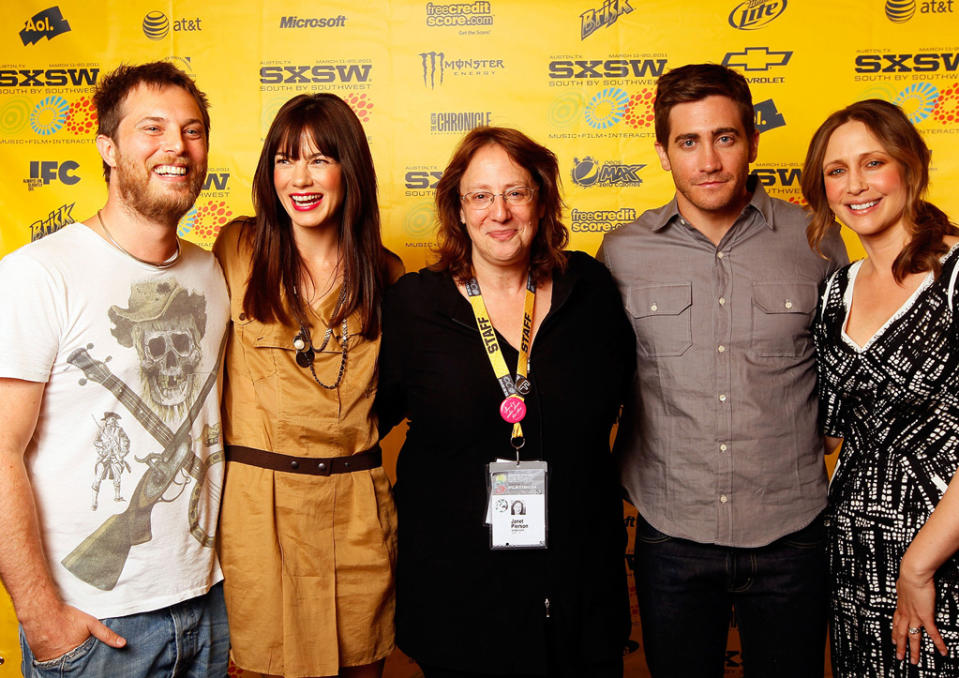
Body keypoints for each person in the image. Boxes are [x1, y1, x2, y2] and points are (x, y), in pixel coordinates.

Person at [598, 63, 849, 677]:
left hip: (792, 531)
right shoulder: (621, 252)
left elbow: (850, 376)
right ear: (662, 152)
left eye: (725, 137)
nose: (708, 160)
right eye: (688, 141)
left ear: (753, 141)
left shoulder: (818, 238)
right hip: (670, 529)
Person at [376, 126, 635, 678]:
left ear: (541, 201)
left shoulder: (590, 290)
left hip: (577, 592)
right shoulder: (415, 305)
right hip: (460, 598)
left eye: (516, 193)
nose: (500, 212)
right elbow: (365, 420)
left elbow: (639, 400)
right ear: (458, 209)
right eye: (481, 196)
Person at [0, 61, 229, 676]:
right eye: (150, 129)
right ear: (106, 146)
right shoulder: (37, 273)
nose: (176, 147)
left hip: (211, 607)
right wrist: (42, 619)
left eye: (192, 130)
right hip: (98, 624)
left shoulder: (216, 274)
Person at [213, 93, 402, 678]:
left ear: (351, 169)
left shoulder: (388, 272)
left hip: (355, 511)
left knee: (362, 666)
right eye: (285, 159)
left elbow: (398, 392)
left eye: (320, 159)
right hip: (259, 511)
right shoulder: (236, 250)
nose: (301, 178)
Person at [803, 98, 959, 677]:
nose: (856, 185)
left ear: (911, 168)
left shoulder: (956, 273)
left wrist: (919, 565)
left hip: (944, 552)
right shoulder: (835, 290)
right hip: (854, 556)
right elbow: (830, 428)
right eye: (836, 171)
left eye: (873, 163)